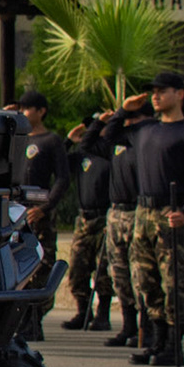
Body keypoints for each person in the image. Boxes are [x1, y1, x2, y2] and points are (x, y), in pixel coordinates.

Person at [128, 71, 184, 367]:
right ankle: (157, 341)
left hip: (170, 212)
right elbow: (106, 137)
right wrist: (124, 110)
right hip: (144, 212)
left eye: (162, 90)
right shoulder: (146, 129)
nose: (155, 95)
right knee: (145, 279)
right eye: (153, 91)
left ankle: (174, 344)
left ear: (179, 94)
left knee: (175, 282)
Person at [14, 90, 67, 340]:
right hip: (16, 213)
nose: (23, 112)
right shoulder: (18, 140)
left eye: (28, 108)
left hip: (40, 214)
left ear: (40, 111)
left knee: (42, 265)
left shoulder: (52, 141)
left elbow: (63, 179)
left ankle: (35, 318)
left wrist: (44, 208)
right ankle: (21, 319)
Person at [99, 97, 151, 349]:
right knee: (118, 273)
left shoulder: (145, 139)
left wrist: (125, 117)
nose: (128, 123)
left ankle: (147, 328)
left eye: (134, 118)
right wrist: (120, 112)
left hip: (137, 211)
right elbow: (101, 138)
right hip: (116, 212)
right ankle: (128, 326)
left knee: (140, 274)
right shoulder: (120, 141)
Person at [62, 118, 114, 331]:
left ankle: (103, 314)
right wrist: (68, 141)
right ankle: (83, 311)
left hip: (103, 217)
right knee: (78, 268)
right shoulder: (83, 155)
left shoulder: (109, 155)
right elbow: (60, 163)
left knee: (103, 270)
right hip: (84, 218)